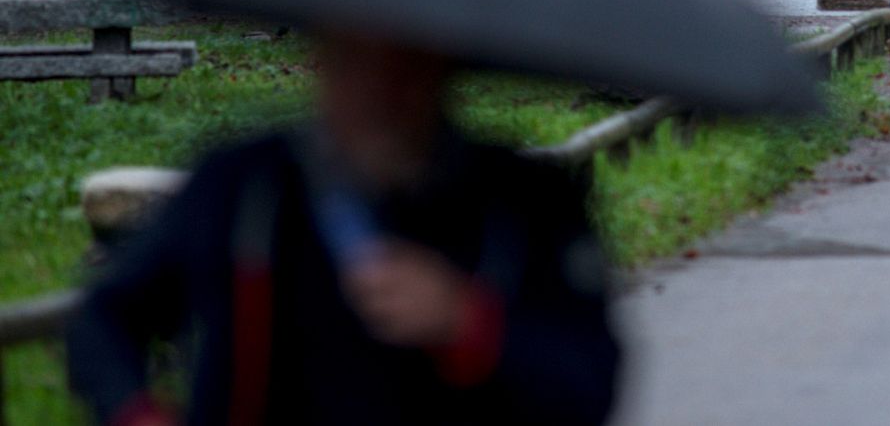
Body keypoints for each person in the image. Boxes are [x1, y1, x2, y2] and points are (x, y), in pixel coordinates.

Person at [68, 30, 621, 426]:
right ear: (325, 63)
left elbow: (591, 385)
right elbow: (104, 317)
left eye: (406, 66)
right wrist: (134, 410)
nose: (382, 92)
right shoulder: (246, 184)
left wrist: (470, 324)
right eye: (359, 62)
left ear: (445, 69)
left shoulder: (527, 201)